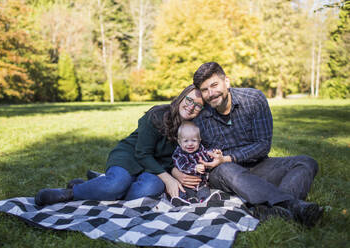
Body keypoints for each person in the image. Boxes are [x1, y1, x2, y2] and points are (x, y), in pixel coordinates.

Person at [172, 62, 323, 227]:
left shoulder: (254, 100)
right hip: (222, 172)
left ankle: (272, 210)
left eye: (214, 85)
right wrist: (177, 171)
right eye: (205, 90)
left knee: (306, 162)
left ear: (227, 82)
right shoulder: (200, 116)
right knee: (225, 168)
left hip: (258, 165)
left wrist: (228, 158)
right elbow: (181, 143)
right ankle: (293, 206)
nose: (211, 93)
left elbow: (263, 145)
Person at [35, 85, 204, 206]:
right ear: (181, 97)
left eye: (198, 105)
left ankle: (99, 184)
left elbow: (178, 158)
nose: (191, 106)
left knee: (144, 193)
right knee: (116, 184)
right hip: (131, 157)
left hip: (155, 169)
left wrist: (175, 172)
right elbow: (143, 153)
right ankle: (72, 192)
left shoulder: (193, 130)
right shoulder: (158, 115)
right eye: (189, 100)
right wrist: (168, 178)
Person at [171, 121, 223, 204]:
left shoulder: (201, 150)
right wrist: (194, 167)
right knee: (184, 192)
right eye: (186, 141)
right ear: (179, 142)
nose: (190, 144)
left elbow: (207, 156)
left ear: (199, 141)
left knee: (204, 191)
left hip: (201, 183)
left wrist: (214, 155)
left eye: (194, 140)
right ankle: (186, 200)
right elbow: (181, 166)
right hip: (186, 184)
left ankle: (205, 200)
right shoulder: (179, 154)